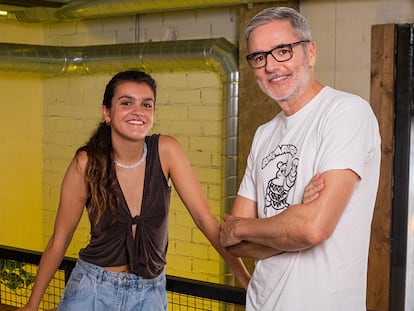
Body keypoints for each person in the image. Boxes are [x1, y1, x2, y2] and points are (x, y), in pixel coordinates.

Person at [18, 70, 251, 311]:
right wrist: (32, 304)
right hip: (92, 291)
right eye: (126, 103)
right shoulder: (86, 163)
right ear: (106, 112)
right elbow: (60, 238)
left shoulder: (166, 151)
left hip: (148, 295)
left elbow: (206, 222)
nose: (138, 111)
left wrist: (246, 280)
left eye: (146, 104)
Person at [219, 6, 381, 311]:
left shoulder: (346, 113)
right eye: (259, 57)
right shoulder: (264, 134)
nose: (270, 66)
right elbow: (233, 244)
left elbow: (312, 228)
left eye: (282, 51)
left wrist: (244, 227)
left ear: (310, 52)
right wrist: (291, 222)